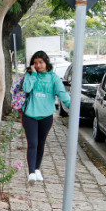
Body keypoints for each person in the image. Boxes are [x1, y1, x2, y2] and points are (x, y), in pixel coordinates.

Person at [22, 51, 70, 183]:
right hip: (30, 115)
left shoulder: (53, 78)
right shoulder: (31, 75)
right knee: (33, 143)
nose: (38, 65)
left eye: (40, 62)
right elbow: (26, 89)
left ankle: (37, 169)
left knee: (41, 144)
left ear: (46, 61)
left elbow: (62, 93)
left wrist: (72, 105)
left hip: (46, 116)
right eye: (35, 63)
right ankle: (31, 172)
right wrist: (33, 74)